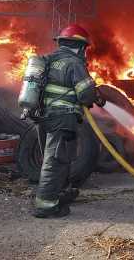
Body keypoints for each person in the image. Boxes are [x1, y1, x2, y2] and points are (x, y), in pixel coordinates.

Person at [29, 24, 102, 218]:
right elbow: (86, 95)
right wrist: (94, 95)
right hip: (62, 118)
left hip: (43, 117)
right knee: (56, 160)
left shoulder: (48, 60)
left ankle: (59, 193)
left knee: (59, 157)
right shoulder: (74, 63)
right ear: (79, 46)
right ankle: (45, 205)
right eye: (84, 48)